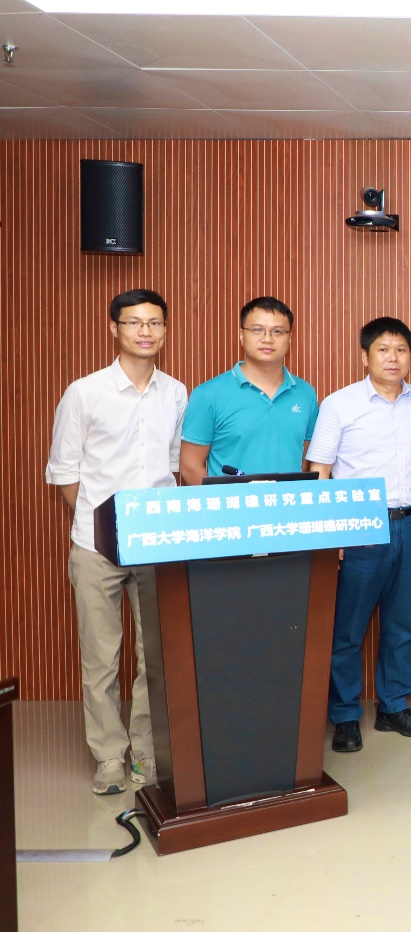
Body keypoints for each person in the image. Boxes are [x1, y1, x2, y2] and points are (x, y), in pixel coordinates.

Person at [45, 288, 187, 794]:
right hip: (96, 546)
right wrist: (100, 524)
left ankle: (146, 753)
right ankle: (109, 757)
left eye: (155, 322)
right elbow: (65, 473)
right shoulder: (84, 393)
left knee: (157, 657)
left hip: (156, 544)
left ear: (165, 330)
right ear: (114, 328)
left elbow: (174, 465)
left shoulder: (176, 393)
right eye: (134, 322)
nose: (145, 331)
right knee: (100, 657)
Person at [308, 318, 411, 752]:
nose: (393, 358)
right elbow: (320, 469)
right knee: (348, 629)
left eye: (401, 350)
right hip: (359, 525)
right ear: (365, 356)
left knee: (400, 624)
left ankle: (393, 706)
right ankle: (345, 716)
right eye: (383, 350)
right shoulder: (339, 404)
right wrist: (329, 533)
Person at [180, 296, 318, 483]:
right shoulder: (208, 395)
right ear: (241, 335)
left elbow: (307, 460)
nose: (267, 339)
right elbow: (190, 465)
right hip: (231, 502)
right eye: (257, 330)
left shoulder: (306, 394)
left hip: (287, 501)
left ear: (289, 338)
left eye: (277, 331)